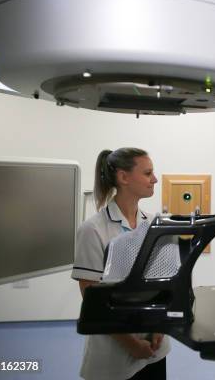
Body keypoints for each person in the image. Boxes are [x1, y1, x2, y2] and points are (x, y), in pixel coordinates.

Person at [72, 148, 170, 380]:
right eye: (148, 173)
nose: (154, 179)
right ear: (124, 177)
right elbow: (92, 297)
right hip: (114, 353)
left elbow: (163, 283)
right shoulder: (93, 230)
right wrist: (131, 344)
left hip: (155, 348)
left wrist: (158, 329)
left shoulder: (152, 224)